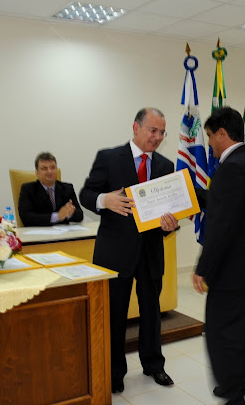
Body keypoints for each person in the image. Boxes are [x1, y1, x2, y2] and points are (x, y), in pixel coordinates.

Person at [79, 108, 178, 394]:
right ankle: (113, 372)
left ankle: (154, 364)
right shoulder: (109, 158)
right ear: (136, 127)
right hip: (115, 252)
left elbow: (166, 212)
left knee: (151, 313)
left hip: (151, 252)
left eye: (162, 133)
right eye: (153, 130)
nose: (157, 137)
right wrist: (104, 200)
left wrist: (169, 225)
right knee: (115, 315)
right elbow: (86, 194)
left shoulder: (166, 165)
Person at [192, 107, 245, 405]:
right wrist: (190, 192)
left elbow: (222, 226)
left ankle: (233, 394)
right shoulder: (244, 162)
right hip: (244, 267)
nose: (209, 143)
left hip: (232, 270)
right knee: (239, 328)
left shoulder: (232, 168)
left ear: (222, 133)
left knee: (221, 333)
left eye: (210, 136)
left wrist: (202, 268)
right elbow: (225, 205)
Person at [18, 152, 83, 226]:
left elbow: (80, 215)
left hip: (63, 232)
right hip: (39, 232)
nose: (49, 171)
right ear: (37, 172)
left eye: (52, 167)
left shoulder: (67, 188)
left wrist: (69, 213)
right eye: (44, 168)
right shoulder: (28, 189)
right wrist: (57, 216)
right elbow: (26, 217)